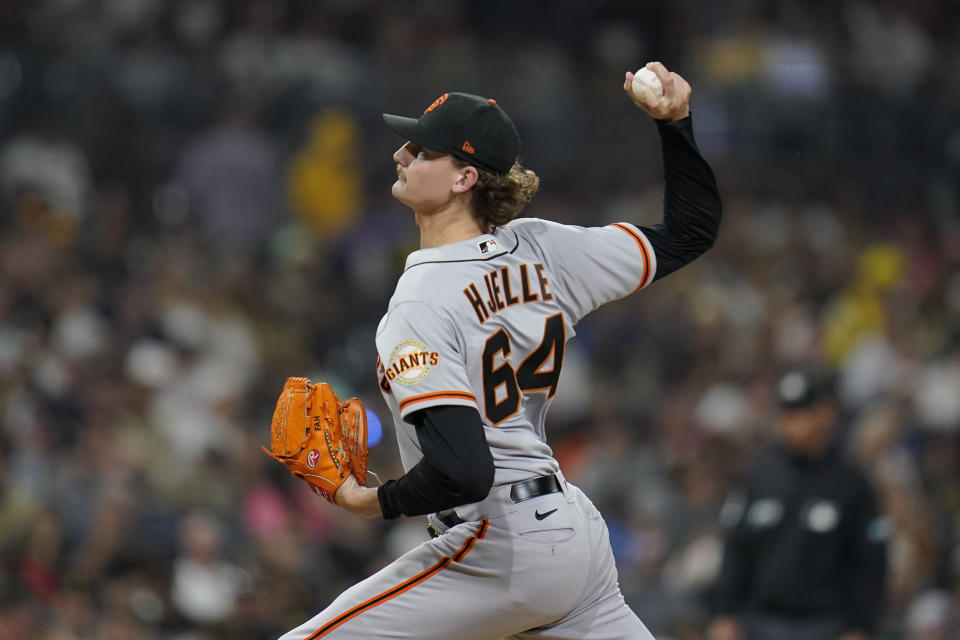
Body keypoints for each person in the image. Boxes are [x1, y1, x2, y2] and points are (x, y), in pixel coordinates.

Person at [279, 61, 722, 639]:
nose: (400, 156)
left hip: (501, 544)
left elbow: (464, 471)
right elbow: (691, 231)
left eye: (421, 149)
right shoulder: (544, 248)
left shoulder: (418, 304)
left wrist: (370, 501)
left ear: (465, 178)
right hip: (571, 534)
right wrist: (676, 124)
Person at [707, 369, 889, 640]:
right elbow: (736, 548)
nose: (789, 425)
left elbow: (870, 563)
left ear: (826, 414)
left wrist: (860, 626)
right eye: (785, 414)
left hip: (827, 624)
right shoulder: (759, 475)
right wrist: (725, 614)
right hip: (761, 621)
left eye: (799, 414)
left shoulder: (851, 483)